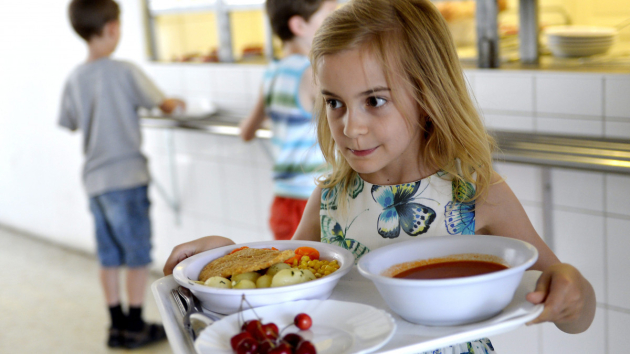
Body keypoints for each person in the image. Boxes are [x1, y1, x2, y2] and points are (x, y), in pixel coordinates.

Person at [164, 0, 596, 352]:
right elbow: (285, 290)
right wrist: (224, 261)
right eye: (334, 103)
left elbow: (573, 314)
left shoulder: (477, 194)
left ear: (428, 94)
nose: (351, 127)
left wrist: (573, 294)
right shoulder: (329, 199)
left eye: (374, 100)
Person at [59, 0, 184, 349]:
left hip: (95, 182)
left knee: (109, 256)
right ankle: (135, 325)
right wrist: (178, 103)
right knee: (137, 257)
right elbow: (163, 103)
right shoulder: (125, 71)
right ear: (113, 28)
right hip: (127, 180)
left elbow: (68, 121)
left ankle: (115, 326)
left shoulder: (75, 77)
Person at [239, 0, 337, 241]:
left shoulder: (273, 71)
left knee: (289, 271)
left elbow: (246, 131)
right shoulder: (311, 72)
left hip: (283, 198)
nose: (336, 26)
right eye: (329, 19)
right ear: (299, 25)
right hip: (312, 198)